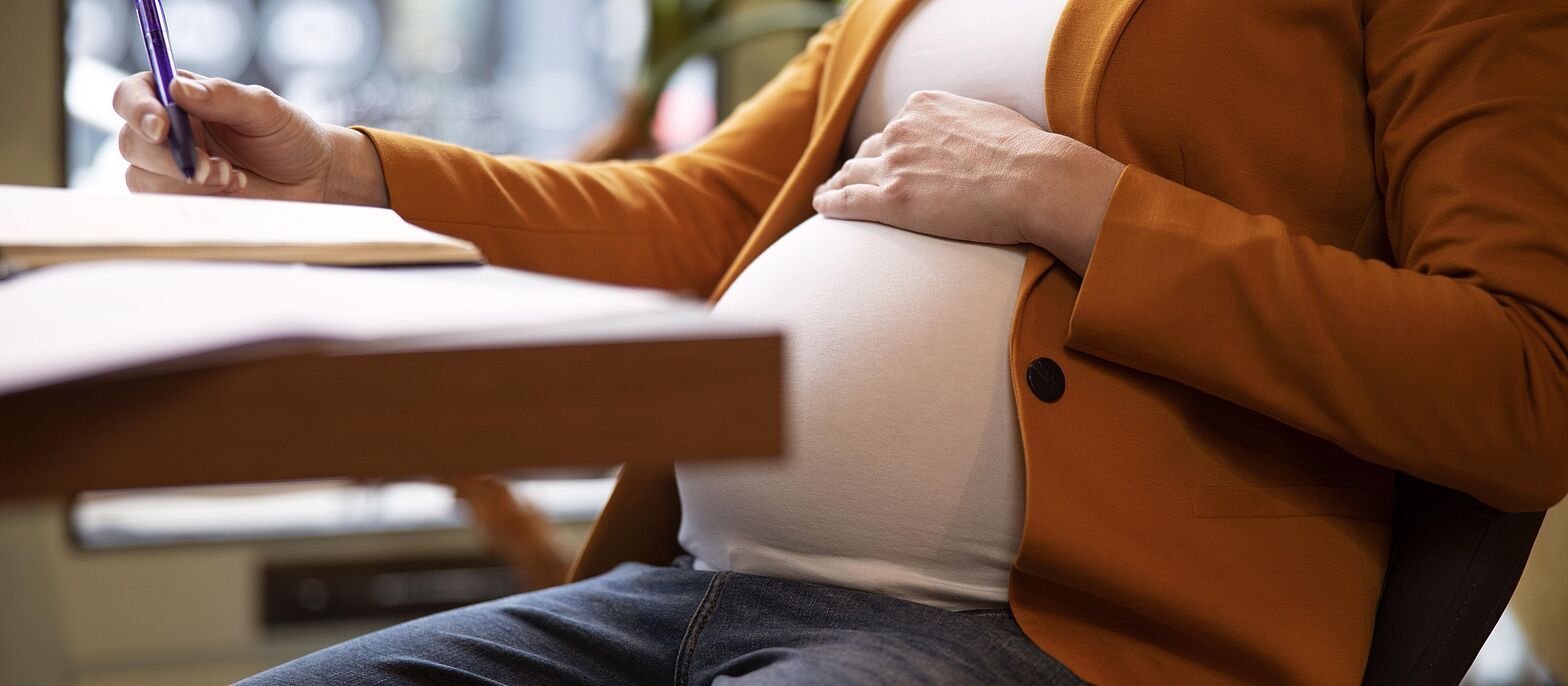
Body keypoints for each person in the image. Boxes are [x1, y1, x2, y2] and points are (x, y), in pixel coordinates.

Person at [111, 0, 1568, 683]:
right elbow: (699, 219)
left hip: (1059, 641)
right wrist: (344, 169)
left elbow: (1524, 382)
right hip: (691, 592)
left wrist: (1085, 204)